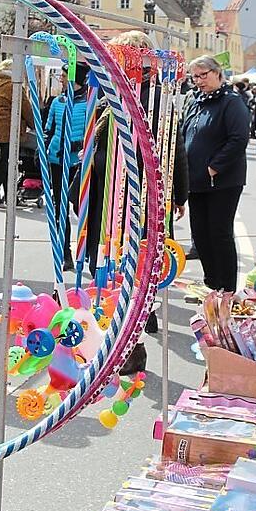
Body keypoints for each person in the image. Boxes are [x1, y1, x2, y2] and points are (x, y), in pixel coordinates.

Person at [88, 30, 188, 375]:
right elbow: (95, 148)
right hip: (110, 190)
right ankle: (127, 324)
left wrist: (177, 192)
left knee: (140, 256)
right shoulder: (110, 92)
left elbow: (175, 147)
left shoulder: (158, 99)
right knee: (113, 256)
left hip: (144, 191)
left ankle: (135, 330)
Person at [180, 55, 249, 292]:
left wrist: (215, 166)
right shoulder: (194, 100)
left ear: (217, 73)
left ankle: (226, 288)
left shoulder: (231, 101)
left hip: (223, 181)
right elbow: (184, 131)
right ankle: (212, 284)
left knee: (219, 233)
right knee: (200, 235)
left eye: (203, 75)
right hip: (196, 179)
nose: (198, 80)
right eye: (194, 76)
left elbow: (238, 138)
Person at [45, 61, 90, 272]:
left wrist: (78, 144)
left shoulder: (90, 101)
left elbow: (94, 133)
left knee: (80, 208)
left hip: (78, 163)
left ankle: (89, 251)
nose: (61, 79)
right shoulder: (58, 101)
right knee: (59, 209)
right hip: (57, 160)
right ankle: (65, 254)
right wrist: (43, 149)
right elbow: (49, 128)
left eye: (64, 75)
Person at [0, 59, 32, 209]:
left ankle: (9, 199)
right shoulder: (13, 86)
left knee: (4, 166)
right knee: (6, 166)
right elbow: (26, 108)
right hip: (8, 131)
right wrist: (34, 124)